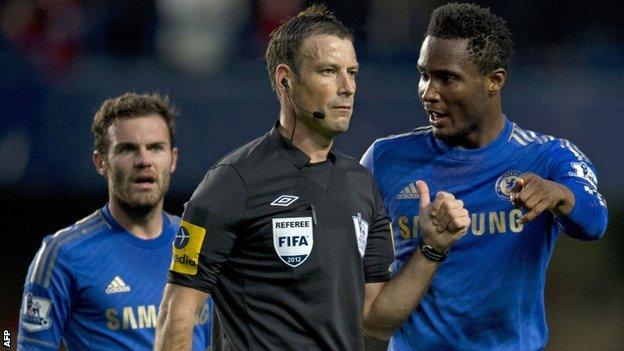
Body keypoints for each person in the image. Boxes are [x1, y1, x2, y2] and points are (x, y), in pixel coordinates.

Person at [155, 4, 469, 351]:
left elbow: (376, 320)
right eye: (329, 72)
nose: (347, 87)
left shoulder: (361, 185)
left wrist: (430, 250)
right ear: (285, 79)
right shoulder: (232, 182)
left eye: (352, 72)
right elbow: (178, 310)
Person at [361, 3, 609, 350]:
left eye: (447, 78)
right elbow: (367, 306)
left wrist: (559, 194)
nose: (429, 93)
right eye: (423, 74)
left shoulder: (548, 157)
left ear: (494, 81)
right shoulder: (384, 159)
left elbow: (595, 222)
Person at [17, 93, 212, 350]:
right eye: (128, 149)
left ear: (173, 158)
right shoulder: (62, 255)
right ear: (101, 162)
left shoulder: (198, 245)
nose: (144, 161)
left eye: (155, 147)